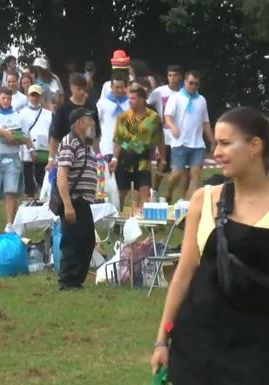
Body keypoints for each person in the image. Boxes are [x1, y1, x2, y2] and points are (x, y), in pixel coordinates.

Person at [150, 106, 269, 384]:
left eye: (225, 143)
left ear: (255, 146)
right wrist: (161, 340)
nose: (215, 152)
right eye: (215, 143)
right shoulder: (204, 200)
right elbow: (184, 274)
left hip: (257, 351)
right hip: (197, 346)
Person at [0, 87, 37, 233]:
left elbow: (25, 136)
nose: (6, 101)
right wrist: (2, 132)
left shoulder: (17, 116)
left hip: (13, 155)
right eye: (3, 98)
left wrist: (19, 140)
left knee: (11, 190)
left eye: (8, 98)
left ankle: (9, 224)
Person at [56, 108, 98, 290]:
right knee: (72, 242)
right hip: (73, 200)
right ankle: (67, 281)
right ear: (78, 123)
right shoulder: (69, 142)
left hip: (84, 201)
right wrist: (67, 205)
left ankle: (77, 280)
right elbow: (62, 175)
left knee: (87, 240)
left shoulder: (85, 144)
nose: (92, 123)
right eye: (89, 120)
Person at [110, 86, 165, 206]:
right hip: (125, 158)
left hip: (143, 160)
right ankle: (117, 218)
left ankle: (144, 220)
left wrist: (163, 157)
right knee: (121, 192)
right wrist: (115, 158)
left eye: (133, 98)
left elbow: (160, 138)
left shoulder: (154, 118)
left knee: (145, 191)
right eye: (129, 98)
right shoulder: (123, 117)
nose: (130, 101)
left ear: (142, 99)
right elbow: (118, 140)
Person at [164, 70, 215, 200]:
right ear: (185, 82)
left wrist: (213, 141)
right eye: (191, 83)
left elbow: (205, 122)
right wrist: (173, 127)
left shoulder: (202, 100)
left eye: (196, 84)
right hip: (179, 142)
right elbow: (167, 116)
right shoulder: (176, 97)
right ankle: (167, 192)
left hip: (197, 143)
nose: (193, 86)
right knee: (177, 173)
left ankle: (188, 205)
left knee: (195, 174)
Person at [49, 73, 101, 170]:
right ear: (72, 88)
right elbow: (55, 137)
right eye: (79, 89)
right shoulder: (63, 109)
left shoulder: (91, 107)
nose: (82, 92)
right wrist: (51, 159)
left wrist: (98, 155)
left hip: (87, 153)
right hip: (67, 153)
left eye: (84, 89)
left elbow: (95, 135)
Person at [148, 65, 183, 192]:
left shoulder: (184, 93)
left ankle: (169, 194)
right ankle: (154, 191)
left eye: (175, 75)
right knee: (161, 166)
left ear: (180, 77)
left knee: (179, 169)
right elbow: (147, 105)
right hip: (163, 136)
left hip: (179, 136)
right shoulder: (159, 92)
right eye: (170, 75)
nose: (172, 78)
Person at [20, 85, 53, 198]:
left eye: (37, 95)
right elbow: (23, 135)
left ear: (41, 97)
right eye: (32, 95)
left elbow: (52, 135)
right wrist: (30, 150)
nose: (34, 98)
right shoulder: (22, 114)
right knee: (30, 186)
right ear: (28, 96)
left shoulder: (48, 114)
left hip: (44, 152)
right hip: (28, 155)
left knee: (44, 184)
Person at [97, 73, 130, 160]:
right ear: (111, 87)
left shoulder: (130, 103)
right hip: (107, 147)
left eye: (122, 87)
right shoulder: (102, 103)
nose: (119, 90)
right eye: (117, 87)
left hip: (126, 147)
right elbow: (95, 123)